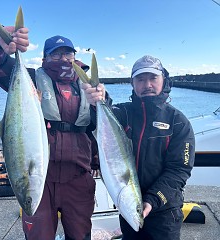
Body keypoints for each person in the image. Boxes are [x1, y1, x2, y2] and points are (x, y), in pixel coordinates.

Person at [0, 25, 99, 240]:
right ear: (45, 58)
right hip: (41, 180)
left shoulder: (89, 86)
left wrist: (102, 103)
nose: (63, 58)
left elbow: (100, 130)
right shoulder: (31, 79)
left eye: (67, 53)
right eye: (56, 53)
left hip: (78, 178)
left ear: (74, 56)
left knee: (81, 235)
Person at [82, 55, 195, 240]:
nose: (147, 84)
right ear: (132, 83)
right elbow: (97, 122)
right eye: (141, 79)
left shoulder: (178, 122)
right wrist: (97, 101)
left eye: (153, 78)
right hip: (129, 209)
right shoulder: (123, 113)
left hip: (164, 212)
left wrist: (152, 200)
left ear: (163, 80)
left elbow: (179, 171)